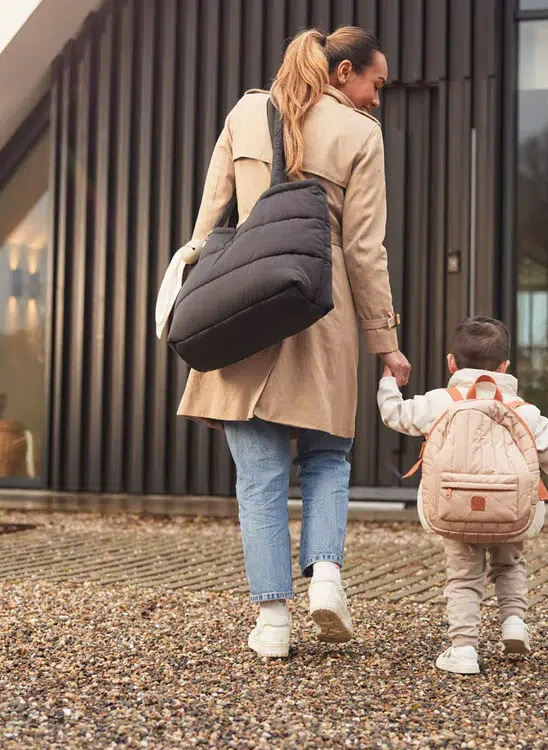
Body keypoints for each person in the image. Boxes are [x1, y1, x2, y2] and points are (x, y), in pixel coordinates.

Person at [176, 27, 411, 659]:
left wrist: (194, 292)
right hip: (320, 307)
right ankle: (326, 579)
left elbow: (209, 221)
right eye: (375, 83)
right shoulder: (362, 134)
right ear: (343, 72)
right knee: (328, 457)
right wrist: (385, 342)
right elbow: (365, 250)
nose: (377, 98)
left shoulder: (247, 111)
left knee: (259, 477)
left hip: (245, 300)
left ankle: (273, 622)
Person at [377, 316, 548, 675]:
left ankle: (464, 650)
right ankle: (513, 623)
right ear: (505, 367)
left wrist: (388, 379)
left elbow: (394, 414)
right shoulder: (522, 409)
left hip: (456, 507)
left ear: (451, 363)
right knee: (510, 564)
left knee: (463, 577)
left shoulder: (441, 402)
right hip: (511, 509)